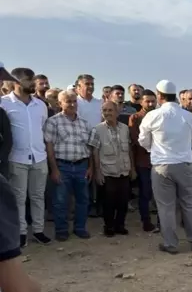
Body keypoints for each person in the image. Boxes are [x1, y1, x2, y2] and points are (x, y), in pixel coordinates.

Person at [138, 80, 192, 254]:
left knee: (166, 207)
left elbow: (143, 140)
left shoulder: (152, 116)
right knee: (190, 204)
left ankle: (171, 244)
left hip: (161, 166)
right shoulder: (187, 116)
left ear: (159, 96)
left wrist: (153, 149)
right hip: (184, 165)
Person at [0, 68, 51, 248]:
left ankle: (38, 230)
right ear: (16, 81)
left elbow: (43, 129)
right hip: (17, 158)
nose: (33, 83)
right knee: (18, 198)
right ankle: (21, 232)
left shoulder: (41, 105)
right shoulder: (4, 104)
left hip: (39, 157)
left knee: (38, 196)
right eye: (29, 80)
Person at [43, 90, 93, 241]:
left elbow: (90, 147)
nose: (72, 104)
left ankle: (79, 228)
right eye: (68, 101)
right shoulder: (53, 122)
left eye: (74, 101)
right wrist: (54, 169)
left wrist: (90, 167)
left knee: (83, 200)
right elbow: (49, 148)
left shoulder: (84, 123)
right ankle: (62, 230)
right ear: (60, 104)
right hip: (62, 167)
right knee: (60, 201)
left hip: (82, 166)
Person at [89, 101, 136, 237]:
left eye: (110, 110)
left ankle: (120, 225)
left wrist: (132, 168)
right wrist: (98, 172)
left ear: (117, 112)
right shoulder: (97, 129)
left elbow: (129, 150)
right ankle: (109, 226)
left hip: (124, 170)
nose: (107, 113)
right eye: (105, 110)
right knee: (108, 202)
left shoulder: (125, 128)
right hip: (108, 172)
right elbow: (95, 152)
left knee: (123, 202)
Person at [128, 90, 158, 232]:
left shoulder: (160, 117)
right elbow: (136, 140)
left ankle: (161, 221)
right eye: (147, 101)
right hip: (143, 162)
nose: (151, 104)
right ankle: (146, 221)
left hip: (159, 161)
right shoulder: (135, 118)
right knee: (145, 193)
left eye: (153, 101)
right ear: (141, 102)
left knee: (160, 194)